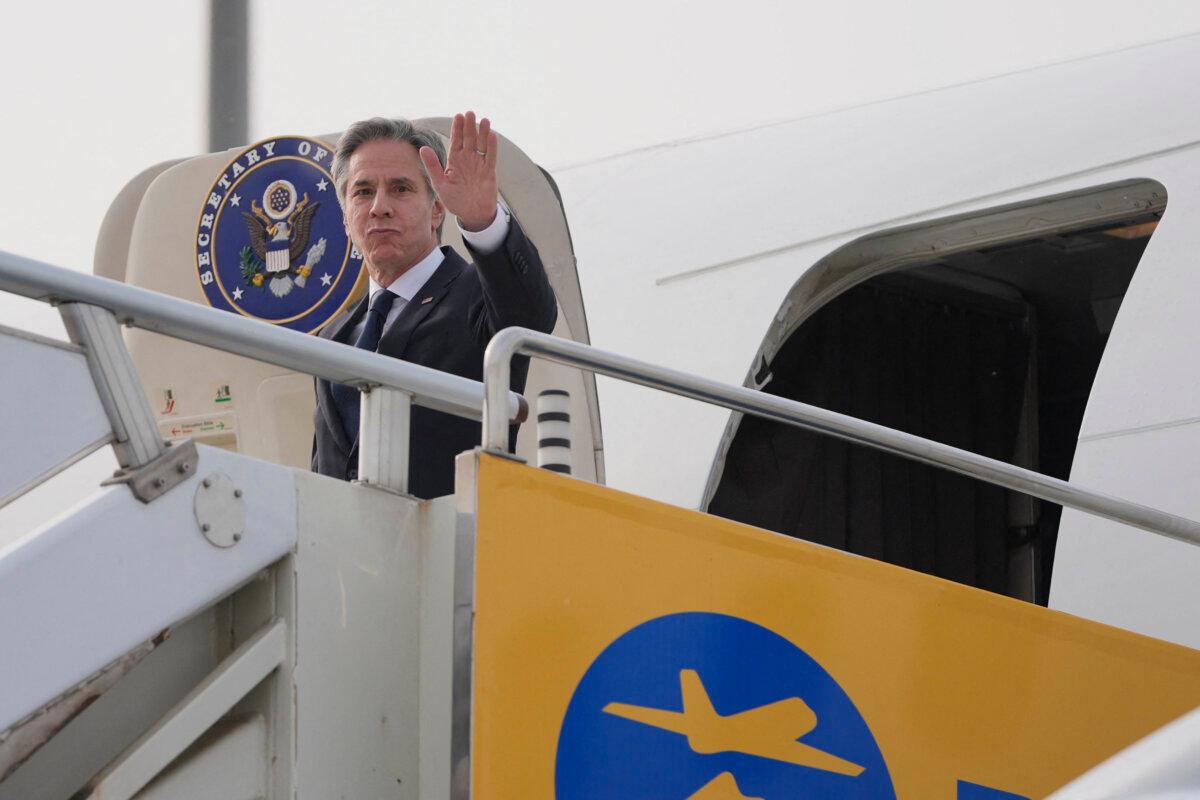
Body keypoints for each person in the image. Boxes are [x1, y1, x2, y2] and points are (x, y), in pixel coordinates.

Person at [312, 112, 557, 498]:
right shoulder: (333, 337)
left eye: (401, 189)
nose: (379, 207)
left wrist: (482, 221)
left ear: (437, 208)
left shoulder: (479, 295)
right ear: (345, 218)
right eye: (362, 192)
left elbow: (531, 316)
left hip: (450, 545)